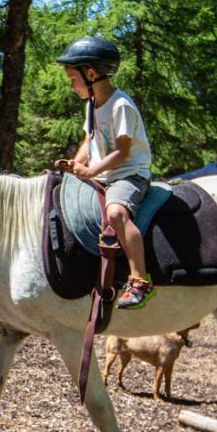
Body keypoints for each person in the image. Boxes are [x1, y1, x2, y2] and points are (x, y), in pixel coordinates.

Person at [56, 35, 156, 310]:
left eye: (73, 78)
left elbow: (122, 152)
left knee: (116, 213)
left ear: (91, 74)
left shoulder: (120, 105)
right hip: (104, 174)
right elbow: (89, 141)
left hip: (129, 175)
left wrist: (89, 171)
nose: (71, 85)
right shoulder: (92, 105)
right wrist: (74, 165)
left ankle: (139, 279)